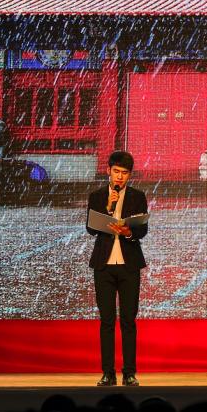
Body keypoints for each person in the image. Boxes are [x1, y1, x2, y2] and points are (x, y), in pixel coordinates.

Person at [86, 151, 149, 386]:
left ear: (129, 175)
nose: (120, 177)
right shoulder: (97, 196)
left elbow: (142, 230)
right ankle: (108, 373)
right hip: (103, 265)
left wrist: (129, 232)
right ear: (108, 171)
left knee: (128, 321)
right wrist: (108, 207)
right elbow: (91, 228)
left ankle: (129, 373)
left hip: (129, 264)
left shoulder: (137, 197)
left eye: (124, 173)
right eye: (116, 172)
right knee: (107, 321)